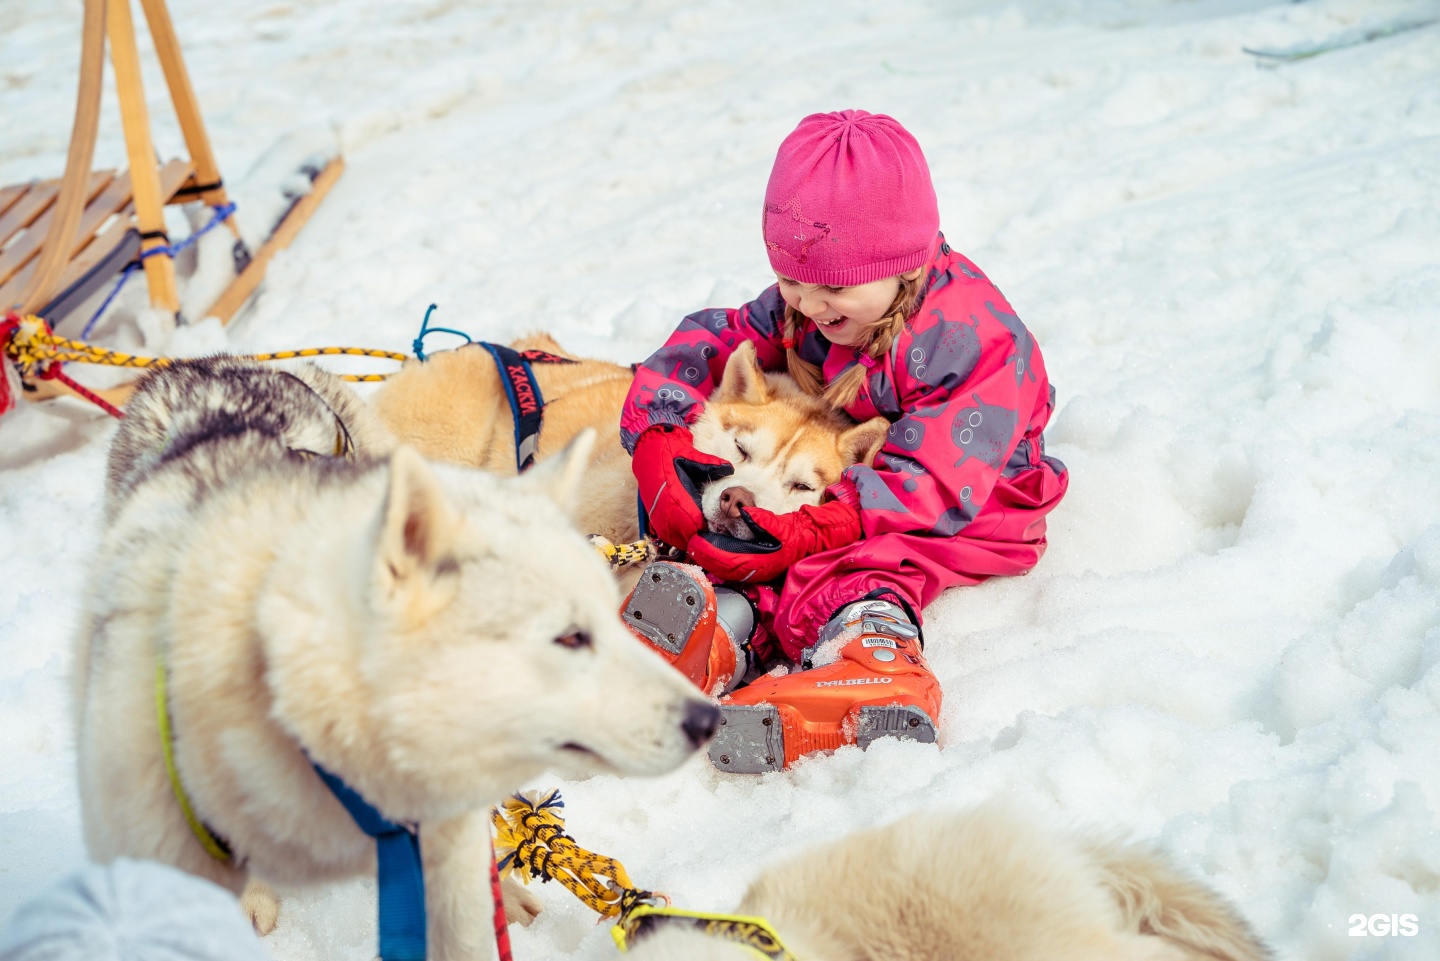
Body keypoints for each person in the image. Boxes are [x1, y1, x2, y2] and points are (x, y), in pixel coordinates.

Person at [620, 109, 1068, 772]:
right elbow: (715, 340)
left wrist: (824, 524)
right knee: (752, 537)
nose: (808, 305)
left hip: (974, 503)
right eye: (791, 281)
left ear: (903, 264)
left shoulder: (974, 337)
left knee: (855, 561)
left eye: (832, 287)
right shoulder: (810, 305)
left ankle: (876, 663)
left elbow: (934, 482)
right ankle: (713, 634)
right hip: (858, 481)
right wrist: (660, 429)